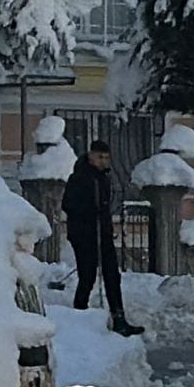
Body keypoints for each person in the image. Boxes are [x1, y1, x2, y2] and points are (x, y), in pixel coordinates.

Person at [62, 139, 144, 337]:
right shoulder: (79, 177)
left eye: (107, 158)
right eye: (100, 157)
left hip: (102, 233)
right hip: (84, 234)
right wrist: (89, 212)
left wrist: (106, 225)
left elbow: (105, 208)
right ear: (91, 156)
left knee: (112, 275)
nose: (104, 161)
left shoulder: (103, 178)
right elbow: (68, 205)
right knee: (88, 275)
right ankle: (79, 314)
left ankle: (119, 318)